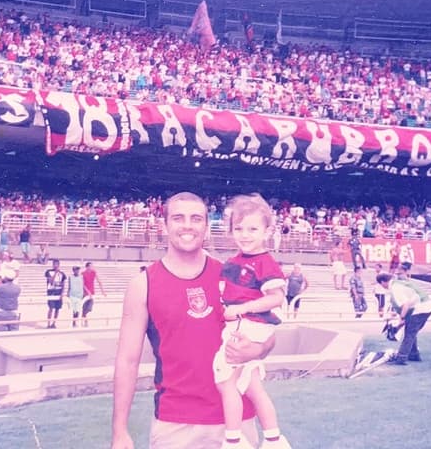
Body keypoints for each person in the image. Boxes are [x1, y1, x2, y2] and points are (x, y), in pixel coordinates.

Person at [112, 192, 275, 449]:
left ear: (206, 226)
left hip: (236, 422)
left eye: (196, 218)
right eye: (178, 218)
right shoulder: (143, 285)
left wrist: (257, 349)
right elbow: (127, 360)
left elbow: (267, 336)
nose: (187, 225)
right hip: (176, 425)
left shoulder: (232, 275)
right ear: (164, 225)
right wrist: (120, 431)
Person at [214, 194, 290, 449]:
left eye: (253, 229)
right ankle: (273, 439)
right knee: (253, 387)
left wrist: (241, 309)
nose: (245, 235)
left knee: (227, 383)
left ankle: (233, 441)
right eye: (239, 228)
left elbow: (276, 298)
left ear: (267, 231)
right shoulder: (234, 262)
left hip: (249, 324)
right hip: (245, 324)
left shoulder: (265, 262)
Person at [376, 272, 431, 365]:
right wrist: (399, 324)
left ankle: (401, 358)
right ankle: (414, 355)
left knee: (409, 333)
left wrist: (400, 320)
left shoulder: (395, 288)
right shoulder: (398, 283)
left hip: (420, 308)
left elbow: (406, 305)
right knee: (411, 331)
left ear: (382, 282)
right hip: (426, 306)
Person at [81, 261, 106, 327]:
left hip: (92, 293)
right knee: (84, 307)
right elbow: (82, 284)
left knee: (89, 308)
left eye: (92, 266)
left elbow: (99, 281)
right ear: (87, 267)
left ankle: (82, 316)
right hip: (85, 293)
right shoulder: (83, 273)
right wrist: (87, 292)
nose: (92, 267)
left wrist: (103, 291)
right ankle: (85, 321)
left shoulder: (94, 272)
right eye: (90, 266)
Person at [45, 258, 67, 328]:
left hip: (58, 292)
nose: (56, 265)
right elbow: (50, 281)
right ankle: (48, 323)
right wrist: (55, 273)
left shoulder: (62, 274)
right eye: (54, 264)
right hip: (51, 292)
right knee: (51, 308)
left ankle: (54, 323)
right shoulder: (48, 272)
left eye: (57, 264)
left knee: (57, 309)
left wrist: (62, 294)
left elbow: (63, 284)